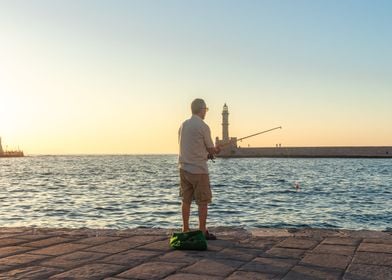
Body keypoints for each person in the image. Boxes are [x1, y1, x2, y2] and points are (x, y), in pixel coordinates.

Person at [178, 98, 220, 240]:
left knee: (186, 200)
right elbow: (210, 149)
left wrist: (205, 154)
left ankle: (185, 228)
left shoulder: (183, 125)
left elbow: (190, 147)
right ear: (201, 110)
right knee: (203, 202)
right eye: (206, 110)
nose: (206, 112)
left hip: (183, 168)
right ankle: (202, 231)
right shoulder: (203, 126)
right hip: (199, 170)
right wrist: (215, 150)